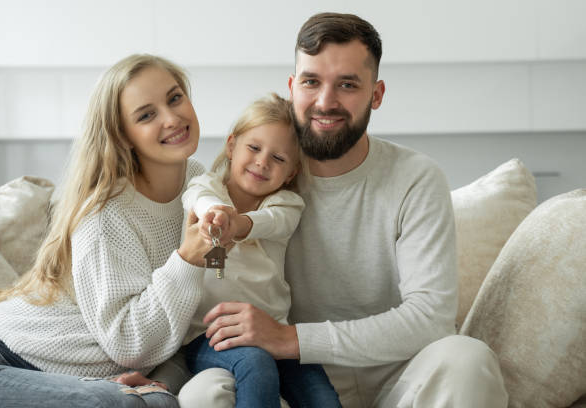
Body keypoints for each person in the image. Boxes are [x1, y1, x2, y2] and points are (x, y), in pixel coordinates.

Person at [178, 12, 509, 408]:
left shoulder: (416, 178)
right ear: (292, 87)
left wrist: (291, 338)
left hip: (400, 381)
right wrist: (159, 374)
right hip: (289, 382)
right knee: (205, 393)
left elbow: (430, 318)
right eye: (311, 81)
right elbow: (182, 289)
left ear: (376, 94)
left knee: (467, 359)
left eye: (347, 85)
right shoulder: (253, 177)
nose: (325, 101)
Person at [0, 54, 212, 408]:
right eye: (147, 115)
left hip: (63, 375)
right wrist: (188, 259)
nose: (172, 118)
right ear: (123, 135)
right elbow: (129, 343)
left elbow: (186, 322)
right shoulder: (106, 213)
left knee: (158, 402)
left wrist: (162, 380)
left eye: (175, 98)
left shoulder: (200, 185)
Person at [166, 93, 339, 407]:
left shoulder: (286, 203)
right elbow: (198, 199)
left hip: (275, 332)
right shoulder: (206, 186)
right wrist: (215, 215)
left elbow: (274, 222)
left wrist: (239, 224)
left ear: (291, 173)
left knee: (321, 396)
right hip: (208, 336)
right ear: (232, 146)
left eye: (279, 158)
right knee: (254, 365)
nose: (262, 162)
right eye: (254, 148)